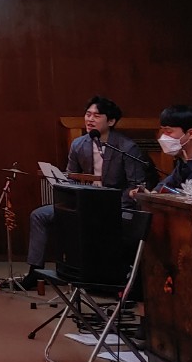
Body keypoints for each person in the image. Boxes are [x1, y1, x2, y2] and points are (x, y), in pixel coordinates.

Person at [19, 96, 148, 289]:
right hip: (84, 203)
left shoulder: (127, 147)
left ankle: (102, 276)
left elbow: (135, 185)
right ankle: (35, 271)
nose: (90, 119)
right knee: (39, 215)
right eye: (88, 114)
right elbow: (72, 177)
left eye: (97, 115)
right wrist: (66, 188)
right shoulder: (79, 144)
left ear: (111, 121)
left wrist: (112, 205)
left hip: (116, 207)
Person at [134, 105, 192, 200]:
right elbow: (165, 187)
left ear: (191, 134)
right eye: (162, 131)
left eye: (168, 132)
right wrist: (149, 195)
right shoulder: (185, 160)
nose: (163, 137)